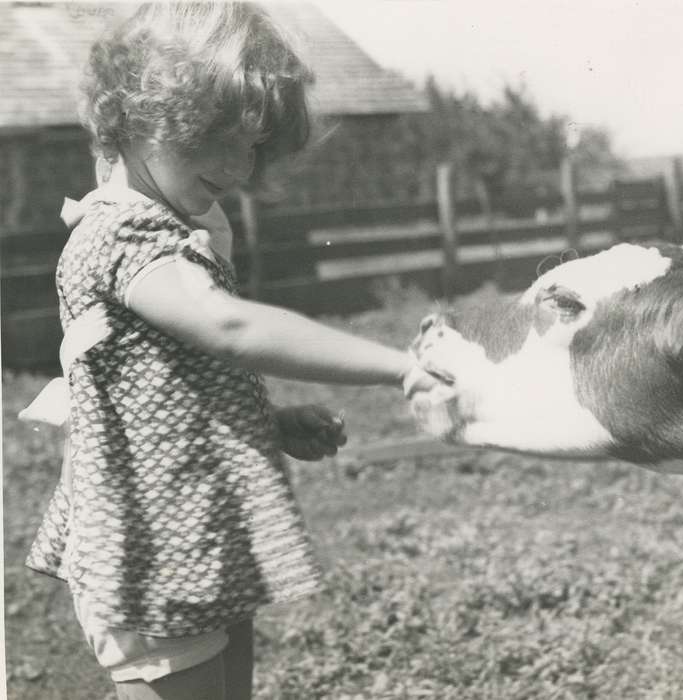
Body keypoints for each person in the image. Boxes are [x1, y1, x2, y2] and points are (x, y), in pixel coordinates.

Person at [24, 3, 435, 698]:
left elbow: (163, 380)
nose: (238, 165)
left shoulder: (172, 226)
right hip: (150, 549)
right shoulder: (121, 237)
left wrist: (266, 421)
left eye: (253, 145)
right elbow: (229, 328)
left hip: (201, 539)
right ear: (145, 114)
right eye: (215, 136)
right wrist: (398, 365)